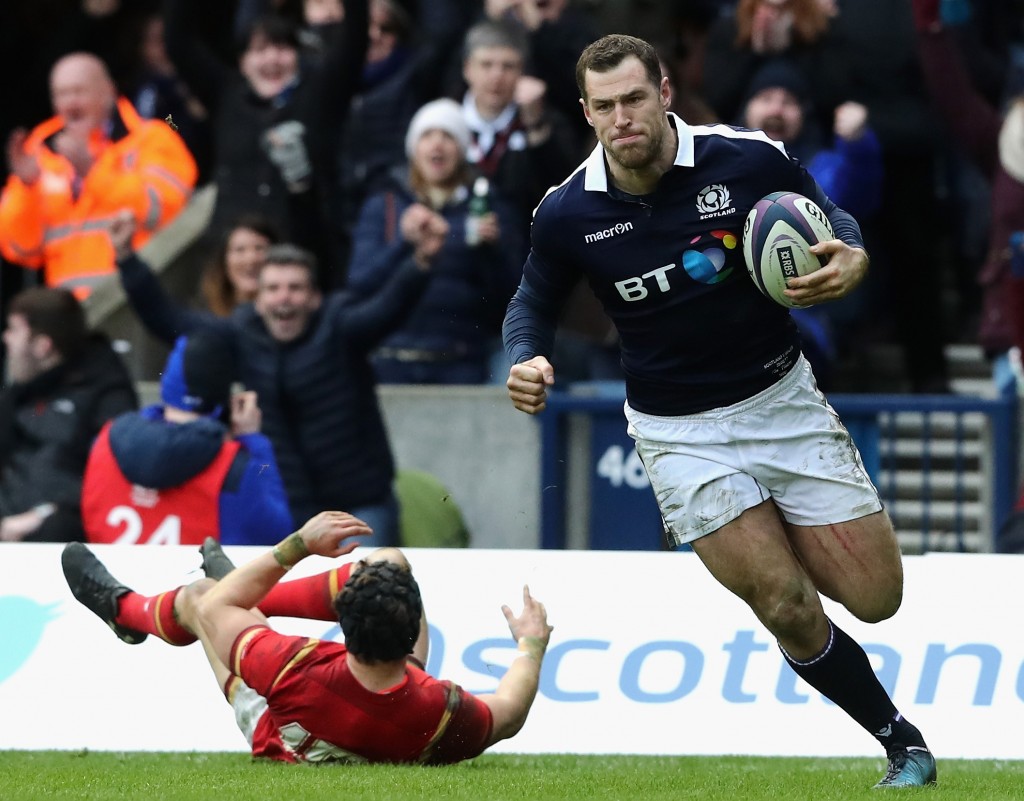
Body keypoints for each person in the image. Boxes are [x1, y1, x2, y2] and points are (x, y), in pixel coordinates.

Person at [502, 34, 936, 788]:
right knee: (785, 603)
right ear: (586, 113)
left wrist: (854, 255)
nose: (622, 118)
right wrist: (526, 357)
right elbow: (531, 301)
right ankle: (902, 741)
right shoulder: (567, 210)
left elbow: (833, 218)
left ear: (664, 93)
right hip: (678, 432)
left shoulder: (748, 158)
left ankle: (798, 539)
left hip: (781, 400)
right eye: (604, 107)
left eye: (634, 98)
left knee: (878, 598)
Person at [61, 511, 552, 763]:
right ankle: (248, 595)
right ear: (413, 641)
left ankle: (124, 611)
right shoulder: (440, 708)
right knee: (393, 563)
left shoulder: (293, 664)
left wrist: (296, 546)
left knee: (201, 598)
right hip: (396, 714)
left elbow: (214, 609)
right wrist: (530, 643)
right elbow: (510, 712)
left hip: (280, 727)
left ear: (342, 629)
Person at [113, 217, 446, 547]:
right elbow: (171, 321)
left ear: (314, 297)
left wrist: (421, 261)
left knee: (371, 593)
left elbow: (388, 307)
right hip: (289, 507)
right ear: (258, 299)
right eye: (272, 289)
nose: (283, 298)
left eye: (295, 288)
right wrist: (128, 260)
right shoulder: (241, 332)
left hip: (358, 503)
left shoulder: (340, 327)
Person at [346, 98, 525, 384]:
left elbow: (512, 296)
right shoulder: (385, 205)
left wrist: (493, 249)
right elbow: (360, 282)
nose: (437, 145)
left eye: (448, 136)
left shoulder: (490, 207)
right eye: (428, 136)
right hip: (391, 359)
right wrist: (403, 243)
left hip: (461, 362)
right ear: (413, 148)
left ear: (463, 150)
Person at [0, 52, 198, 298]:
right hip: (69, 317)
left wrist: (92, 172)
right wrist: (26, 187)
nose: (70, 103)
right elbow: (20, 249)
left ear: (108, 91)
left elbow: (165, 209)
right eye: (61, 94)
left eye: (78, 91)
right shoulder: (40, 151)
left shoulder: (153, 138)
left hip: (135, 302)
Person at [80, 331, 293, 546]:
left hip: (107, 578)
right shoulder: (236, 468)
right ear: (226, 400)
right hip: (200, 580)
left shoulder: (106, 441)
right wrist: (256, 441)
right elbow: (277, 532)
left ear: (166, 387)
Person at [0, 287, 137, 543]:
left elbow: (111, 479)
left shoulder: (106, 395)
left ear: (43, 346)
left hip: (60, 530)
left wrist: (44, 514)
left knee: (59, 530)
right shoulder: (19, 393)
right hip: (9, 525)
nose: (6, 339)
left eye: (14, 330)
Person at [458, 19, 579, 235]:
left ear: (522, 71)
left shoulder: (548, 122)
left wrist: (536, 126)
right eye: (486, 65)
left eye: (508, 66)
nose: (497, 76)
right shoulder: (444, 123)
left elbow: (562, 191)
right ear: (467, 69)